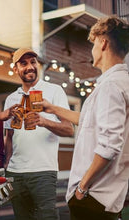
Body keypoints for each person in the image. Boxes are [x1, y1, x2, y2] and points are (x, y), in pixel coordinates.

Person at [35, 16, 129, 220]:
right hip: (105, 197)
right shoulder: (121, 82)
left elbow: (110, 145)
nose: (92, 49)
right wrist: (52, 108)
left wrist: (82, 187)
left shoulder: (111, 86)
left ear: (103, 43)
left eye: (94, 43)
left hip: (93, 197)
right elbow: (88, 120)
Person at [4, 47, 74, 220]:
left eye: (33, 62)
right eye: (23, 63)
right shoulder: (11, 99)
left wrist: (44, 121)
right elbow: (10, 137)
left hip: (43, 171)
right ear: (15, 69)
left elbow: (69, 129)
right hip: (15, 173)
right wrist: (6, 168)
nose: (29, 67)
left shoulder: (54, 90)